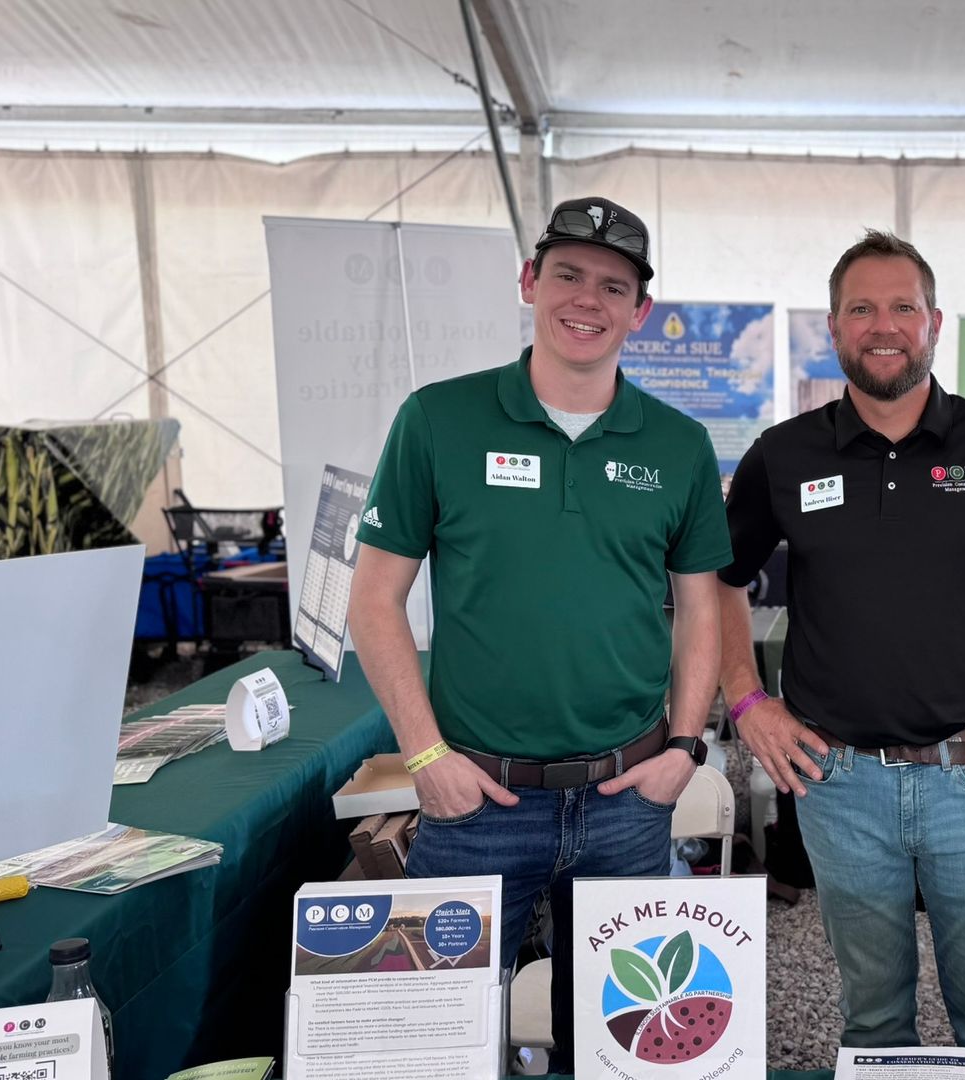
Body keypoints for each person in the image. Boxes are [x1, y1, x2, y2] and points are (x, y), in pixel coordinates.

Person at [714, 230, 965, 1060]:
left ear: (934, 322)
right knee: (872, 1025)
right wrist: (746, 699)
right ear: (833, 328)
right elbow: (718, 580)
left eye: (902, 306)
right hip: (838, 786)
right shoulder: (783, 456)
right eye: (861, 308)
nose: (883, 324)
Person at [348, 196, 731, 1070]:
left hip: (627, 802)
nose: (585, 300)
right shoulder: (438, 420)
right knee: (433, 1050)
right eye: (566, 274)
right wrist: (423, 758)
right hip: (475, 802)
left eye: (613, 285)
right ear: (528, 281)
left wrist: (685, 748)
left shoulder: (677, 445)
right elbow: (374, 601)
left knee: (621, 1053)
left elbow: (701, 606)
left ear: (641, 311)